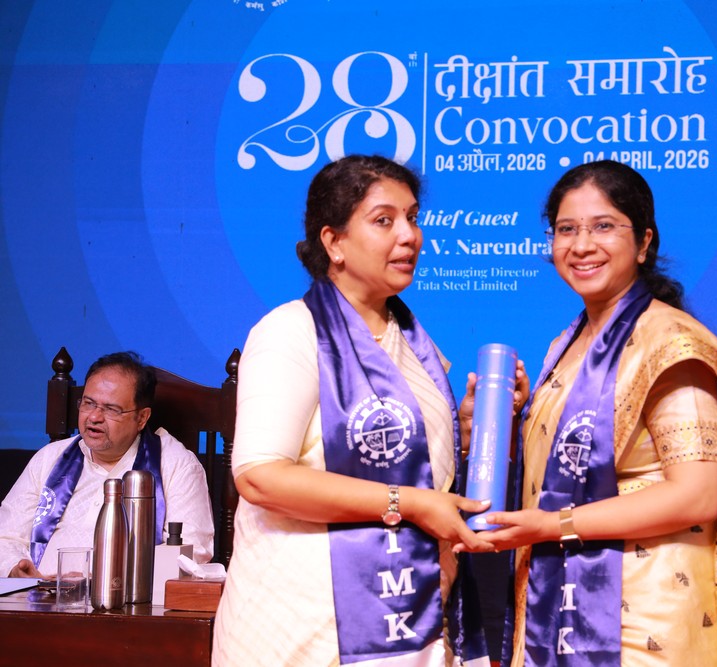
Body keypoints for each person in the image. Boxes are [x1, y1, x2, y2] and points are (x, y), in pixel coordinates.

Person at [474, 161, 717, 665]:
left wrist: (551, 526)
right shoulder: (566, 345)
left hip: (648, 620)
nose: (581, 245)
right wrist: (514, 417)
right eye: (567, 229)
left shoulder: (671, 343)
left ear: (644, 242)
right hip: (562, 603)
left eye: (603, 226)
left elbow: (697, 494)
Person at [213, 155, 520, 666]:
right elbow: (260, 478)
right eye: (384, 220)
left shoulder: (413, 342)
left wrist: (466, 430)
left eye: (413, 218)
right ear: (333, 242)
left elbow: (412, 463)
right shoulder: (290, 332)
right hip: (306, 620)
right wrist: (409, 504)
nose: (409, 236)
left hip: (410, 614)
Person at [0, 351, 215, 577]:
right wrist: (17, 569)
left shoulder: (176, 466)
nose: (94, 417)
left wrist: (96, 581)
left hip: (129, 596)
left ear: (142, 418)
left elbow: (191, 555)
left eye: (111, 409)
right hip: (36, 594)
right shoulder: (50, 458)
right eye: (88, 403)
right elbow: (5, 535)